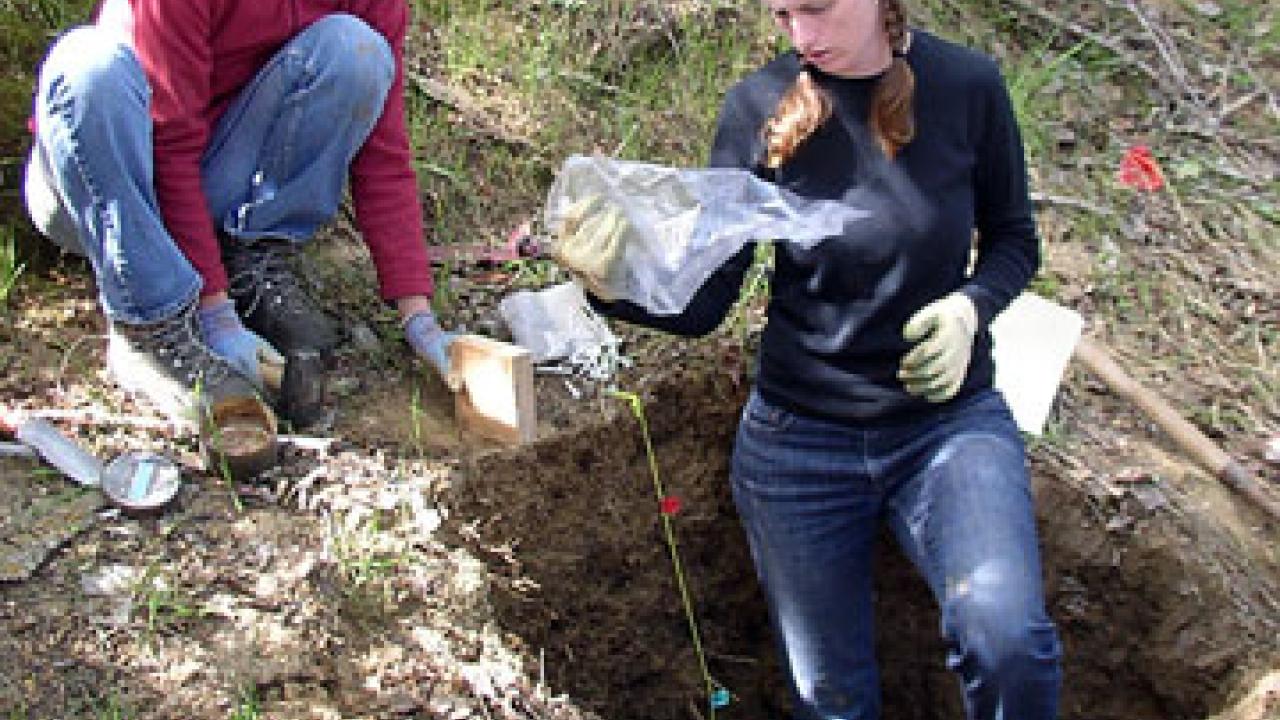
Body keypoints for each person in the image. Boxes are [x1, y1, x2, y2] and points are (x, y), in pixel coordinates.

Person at [554, 0, 1062, 717]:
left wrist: (969, 307)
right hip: (798, 449)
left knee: (1005, 637)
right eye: (783, 13)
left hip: (946, 429)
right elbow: (706, 305)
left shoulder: (968, 86)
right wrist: (608, 281)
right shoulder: (759, 105)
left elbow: (1015, 239)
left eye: (817, 10)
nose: (802, 36)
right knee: (831, 697)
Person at [22, 0, 455, 425]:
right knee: (90, 66)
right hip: (101, 181)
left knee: (357, 51)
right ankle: (149, 325)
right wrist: (215, 314)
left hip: (210, 169)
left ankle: (250, 252)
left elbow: (384, 156)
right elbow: (170, 146)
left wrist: (418, 316)